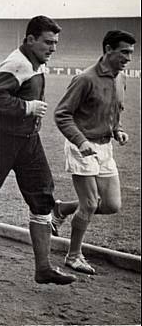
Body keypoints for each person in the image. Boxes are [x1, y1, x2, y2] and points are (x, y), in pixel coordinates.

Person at [0, 15, 77, 286]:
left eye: (55, 43)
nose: (52, 48)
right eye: (47, 42)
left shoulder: (37, 61)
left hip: (29, 141)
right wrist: (27, 108)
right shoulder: (18, 63)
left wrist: (30, 115)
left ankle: (43, 267)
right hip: (4, 141)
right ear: (30, 39)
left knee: (43, 199)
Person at [52, 30, 136, 275]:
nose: (129, 58)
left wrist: (117, 130)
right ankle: (73, 255)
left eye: (131, 53)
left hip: (104, 146)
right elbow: (62, 114)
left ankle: (61, 210)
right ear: (108, 49)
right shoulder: (84, 79)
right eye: (124, 52)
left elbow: (114, 114)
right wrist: (80, 141)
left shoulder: (121, 79)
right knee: (89, 203)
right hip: (82, 147)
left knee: (111, 205)